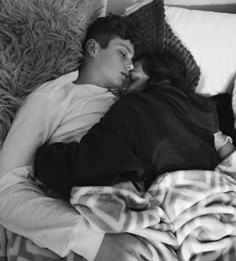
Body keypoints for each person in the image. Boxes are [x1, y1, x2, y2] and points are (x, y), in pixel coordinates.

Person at [0, 14, 153, 261]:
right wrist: (93, 242)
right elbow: (6, 188)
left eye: (132, 60)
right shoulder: (54, 97)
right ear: (93, 48)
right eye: (123, 54)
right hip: (77, 216)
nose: (130, 66)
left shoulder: (130, 103)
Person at [34, 49, 234, 201]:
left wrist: (46, 158)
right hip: (217, 194)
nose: (125, 82)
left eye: (133, 76)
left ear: (160, 74)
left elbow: (92, 162)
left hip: (179, 197)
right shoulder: (209, 107)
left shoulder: (134, 107)